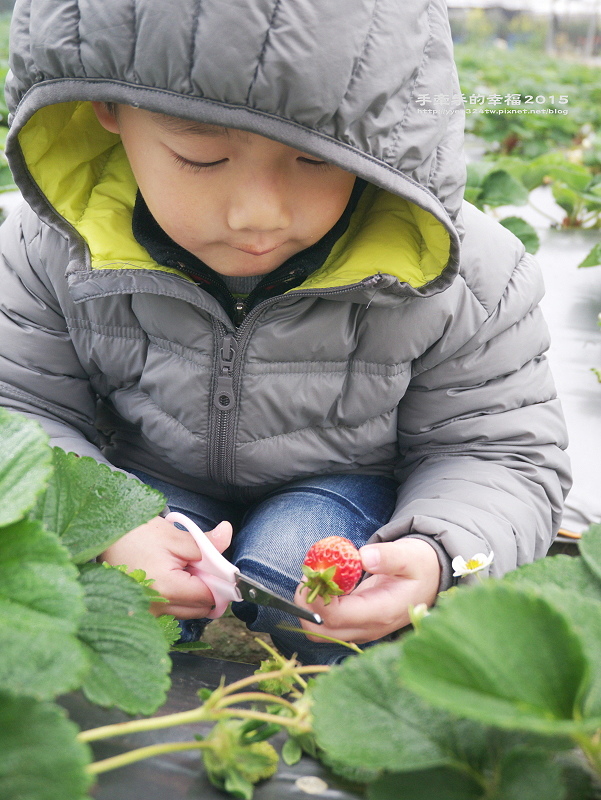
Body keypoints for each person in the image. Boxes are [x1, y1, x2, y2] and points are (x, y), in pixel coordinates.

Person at [0, 0, 570, 664]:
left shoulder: (467, 272)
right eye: (201, 156)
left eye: (315, 159)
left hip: (343, 482)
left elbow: (498, 454)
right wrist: (107, 526)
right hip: (145, 478)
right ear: (107, 108)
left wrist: (440, 555)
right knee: (122, 600)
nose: (257, 215)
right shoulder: (47, 246)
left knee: (296, 582)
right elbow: (20, 412)